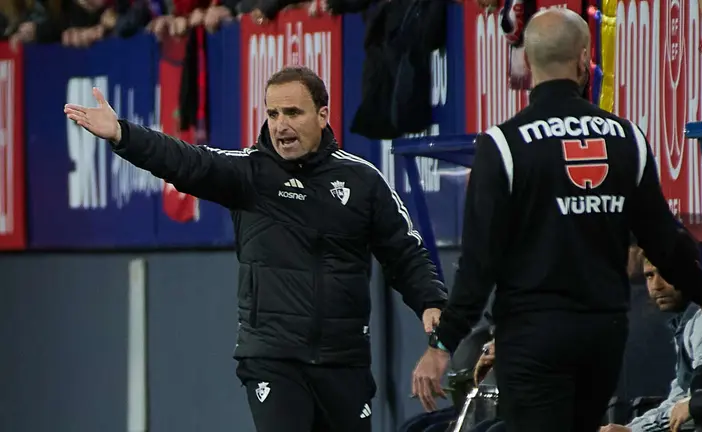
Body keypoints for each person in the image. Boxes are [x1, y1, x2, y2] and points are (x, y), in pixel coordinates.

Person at [410, 8, 702, 432]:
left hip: (533, 336)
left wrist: (442, 345)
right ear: (586, 57)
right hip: (602, 334)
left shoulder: (505, 145)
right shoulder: (625, 137)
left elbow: (479, 264)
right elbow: (663, 238)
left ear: (528, 63)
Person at [64, 66, 448, 432]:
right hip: (273, 360)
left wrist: (429, 301)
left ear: (323, 115)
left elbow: (405, 252)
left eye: (293, 112)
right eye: (273, 113)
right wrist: (122, 134)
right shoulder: (249, 174)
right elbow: (183, 161)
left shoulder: (363, 181)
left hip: (344, 362)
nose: (281, 124)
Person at [601, 247, 702, 432]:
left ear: (694, 271)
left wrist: (634, 431)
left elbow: (696, 407)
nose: (657, 285)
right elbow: (680, 396)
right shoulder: (686, 319)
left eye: (666, 274)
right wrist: (630, 429)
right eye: (649, 276)